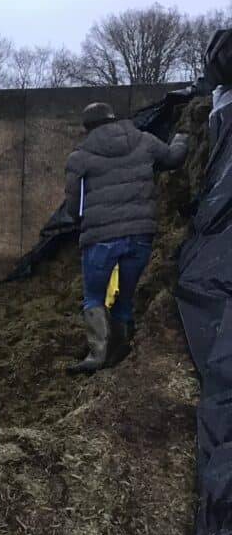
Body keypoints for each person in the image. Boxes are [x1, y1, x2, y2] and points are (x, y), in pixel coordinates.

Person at [64, 102, 188, 373]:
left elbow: (74, 206)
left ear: (87, 127)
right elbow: (173, 159)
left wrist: (80, 222)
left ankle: (97, 355)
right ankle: (121, 349)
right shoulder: (144, 140)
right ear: (113, 119)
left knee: (94, 296)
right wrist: (182, 138)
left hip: (100, 238)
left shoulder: (80, 157)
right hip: (140, 234)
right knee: (125, 297)